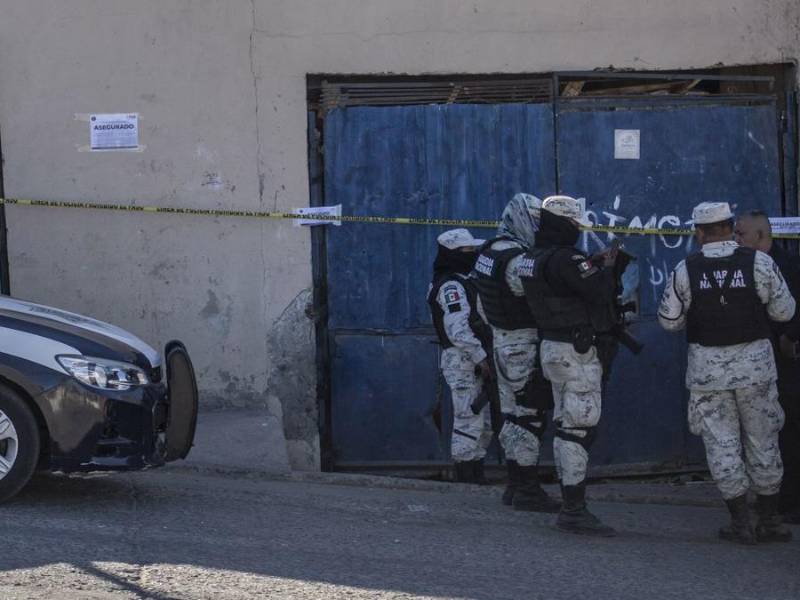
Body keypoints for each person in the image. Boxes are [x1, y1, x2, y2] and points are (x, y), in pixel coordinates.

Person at [659, 202, 795, 544]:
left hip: (709, 374)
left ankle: (740, 522)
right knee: (763, 440)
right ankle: (770, 520)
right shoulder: (760, 262)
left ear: (699, 232)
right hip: (756, 370)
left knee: (722, 444)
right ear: (730, 227)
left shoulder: (685, 268)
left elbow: (669, 322)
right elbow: (784, 311)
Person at [520, 195, 619, 537]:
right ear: (565, 224)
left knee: (566, 424)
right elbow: (599, 292)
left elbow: (563, 284)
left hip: (552, 347)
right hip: (576, 352)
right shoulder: (567, 258)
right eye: (575, 225)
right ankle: (573, 509)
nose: (577, 231)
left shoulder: (533, 257)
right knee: (579, 429)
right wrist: (605, 268)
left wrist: (588, 265)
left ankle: (570, 501)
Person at [472, 193, 560, 512]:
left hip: (501, 340)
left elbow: (481, 304)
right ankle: (528, 489)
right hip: (522, 344)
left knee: (511, 414)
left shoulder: (488, 252)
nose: (538, 229)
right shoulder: (516, 259)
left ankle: (514, 484)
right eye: (535, 222)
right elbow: (538, 295)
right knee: (529, 416)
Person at [735, 210, 800, 524]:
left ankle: (788, 502)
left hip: (785, 361)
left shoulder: (784, 266)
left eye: (741, 235)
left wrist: (791, 335)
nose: (736, 241)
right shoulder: (746, 267)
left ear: (761, 236)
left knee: (788, 429)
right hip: (760, 363)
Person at [428, 229, 493, 483]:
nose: (473, 255)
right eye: (467, 252)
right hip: (464, 359)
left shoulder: (463, 280)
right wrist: (481, 357)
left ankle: (475, 474)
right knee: (468, 419)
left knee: (482, 421)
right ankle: (467, 481)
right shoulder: (451, 285)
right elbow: (458, 329)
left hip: (472, 359)